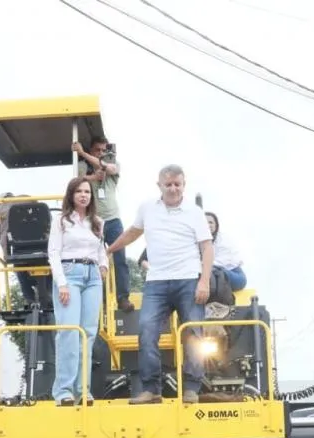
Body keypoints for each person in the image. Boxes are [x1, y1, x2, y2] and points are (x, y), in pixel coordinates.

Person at [105, 164, 213, 405]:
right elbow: (133, 232)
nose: (173, 189)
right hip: (156, 281)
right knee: (146, 330)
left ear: (184, 185)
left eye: (177, 184)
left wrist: (204, 281)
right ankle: (151, 390)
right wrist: (110, 250)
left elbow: (207, 247)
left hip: (188, 279)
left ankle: (191, 388)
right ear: (159, 185)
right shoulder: (147, 208)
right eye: (168, 184)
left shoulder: (194, 212)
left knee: (193, 333)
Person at [48, 177, 108, 406]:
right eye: (79, 191)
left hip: (93, 276)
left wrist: (104, 265)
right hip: (69, 272)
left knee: (88, 333)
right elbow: (54, 252)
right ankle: (64, 390)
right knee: (70, 331)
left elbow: (101, 249)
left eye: (87, 192)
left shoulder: (97, 222)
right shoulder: (61, 221)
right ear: (71, 195)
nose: (84, 195)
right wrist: (61, 283)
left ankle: (84, 390)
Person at [75, 137, 133, 313]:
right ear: (91, 150)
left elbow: (110, 168)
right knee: (92, 260)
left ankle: (123, 298)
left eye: (103, 150)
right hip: (93, 220)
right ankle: (97, 297)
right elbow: (75, 182)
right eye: (97, 150)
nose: (101, 153)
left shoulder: (113, 164)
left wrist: (82, 152)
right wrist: (92, 177)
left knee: (120, 259)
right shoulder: (82, 167)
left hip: (113, 220)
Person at [205, 212, 247, 291]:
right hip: (212, 272)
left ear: (216, 225)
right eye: (205, 222)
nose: (208, 225)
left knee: (210, 272)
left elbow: (220, 262)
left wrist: (202, 265)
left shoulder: (223, 240)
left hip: (234, 274)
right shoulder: (198, 241)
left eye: (210, 222)